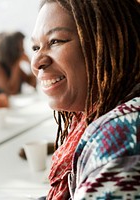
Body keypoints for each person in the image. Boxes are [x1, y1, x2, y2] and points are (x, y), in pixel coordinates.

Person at [31, 0, 140, 199]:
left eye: (55, 41)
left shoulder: (124, 134)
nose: (37, 62)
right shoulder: (89, 117)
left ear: (107, 41)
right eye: (36, 47)